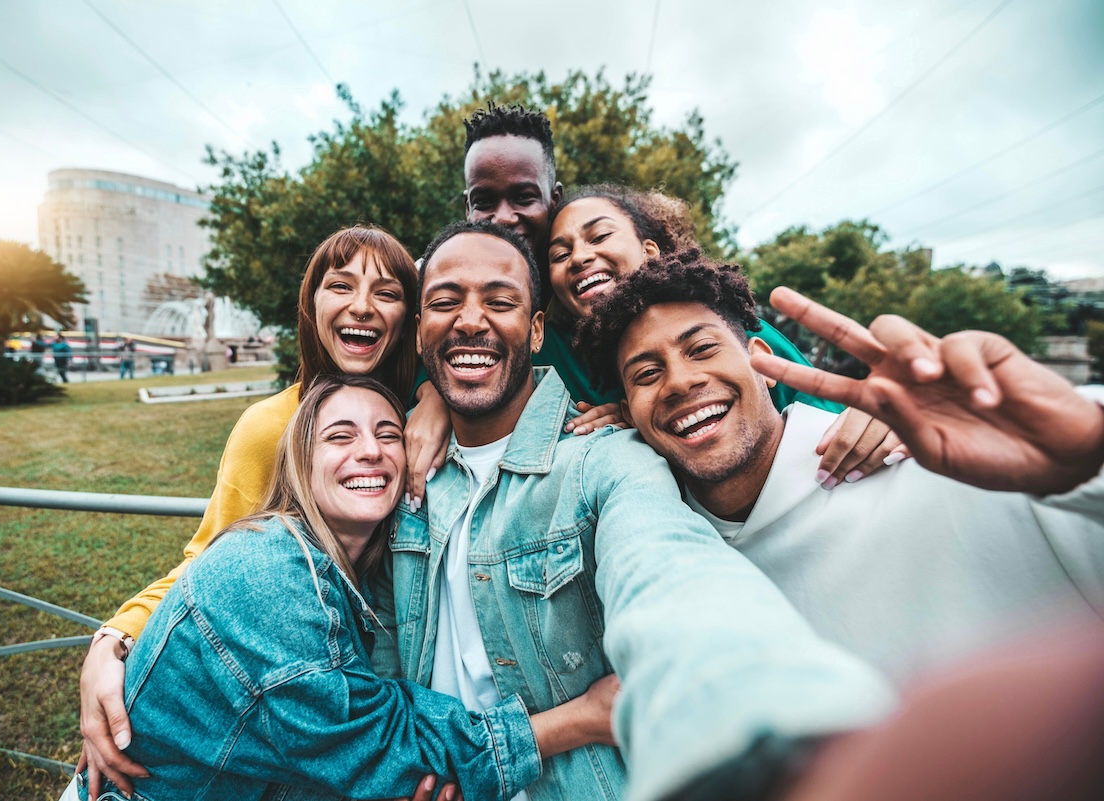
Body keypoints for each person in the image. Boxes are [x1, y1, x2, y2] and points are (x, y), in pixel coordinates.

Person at [377, 220, 894, 801]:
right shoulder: (395, 471)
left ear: (537, 328)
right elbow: (381, 669)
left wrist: (760, 714)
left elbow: (667, 570)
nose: (471, 320)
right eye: (446, 302)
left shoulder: (607, 461)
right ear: (420, 330)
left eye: (500, 301)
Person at [66, 373, 618, 801]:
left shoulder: (341, 571)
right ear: (301, 462)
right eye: (339, 437)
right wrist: (583, 719)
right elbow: (382, 745)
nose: (371, 451)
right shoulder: (270, 574)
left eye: (387, 435)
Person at [576, 249, 1104, 686]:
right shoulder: (655, 561)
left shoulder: (946, 465)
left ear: (762, 360)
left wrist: (1087, 456)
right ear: (628, 413)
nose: (678, 383)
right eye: (645, 374)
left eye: (703, 349)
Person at [77, 225, 423, 798]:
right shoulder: (269, 428)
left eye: (387, 292)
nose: (362, 305)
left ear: (409, 316)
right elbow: (207, 563)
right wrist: (109, 642)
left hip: (382, 703)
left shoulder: (430, 413)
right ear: (311, 305)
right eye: (340, 285)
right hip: (282, 711)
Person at [546, 183, 905, 485]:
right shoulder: (559, 357)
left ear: (649, 249)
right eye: (559, 254)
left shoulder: (732, 326)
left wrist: (881, 422)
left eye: (601, 235)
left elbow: (842, 425)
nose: (578, 257)